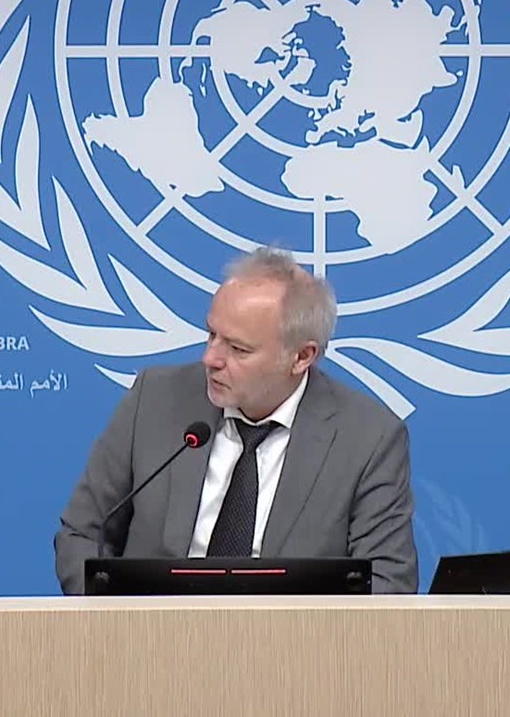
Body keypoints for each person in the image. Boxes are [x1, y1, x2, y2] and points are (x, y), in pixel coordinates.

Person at [54, 246, 418, 594]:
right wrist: (121, 623)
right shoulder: (154, 399)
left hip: (291, 636)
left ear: (301, 357)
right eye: (211, 334)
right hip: (152, 632)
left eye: (238, 349)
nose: (210, 358)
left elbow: (386, 582)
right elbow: (82, 534)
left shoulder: (368, 439)